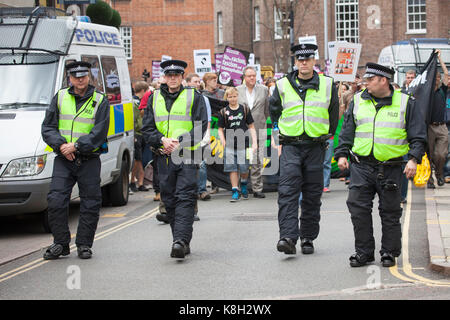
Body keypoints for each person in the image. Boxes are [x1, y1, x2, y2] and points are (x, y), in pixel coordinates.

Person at [335, 62, 427, 268]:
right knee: (358, 210)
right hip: (361, 166)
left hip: (391, 168)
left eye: (370, 80)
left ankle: (389, 252)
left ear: (383, 80)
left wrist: (413, 159)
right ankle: (363, 252)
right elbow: (347, 130)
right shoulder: (358, 101)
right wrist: (341, 153)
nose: (365, 83)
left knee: (390, 211)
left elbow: (418, 136)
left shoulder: (406, 102)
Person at [270, 43, 339, 255]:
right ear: (295, 62)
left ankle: (308, 237)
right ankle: (288, 237)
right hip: (291, 146)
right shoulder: (282, 85)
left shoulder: (328, 84)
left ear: (314, 61)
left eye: (307, 59)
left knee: (311, 195)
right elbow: (274, 115)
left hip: (316, 147)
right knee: (288, 193)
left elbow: (333, 115)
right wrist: (277, 141)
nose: (303, 63)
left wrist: (326, 137)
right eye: (300, 59)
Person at [41, 61, 110, 260]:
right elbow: (48, 127)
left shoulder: (100, 100)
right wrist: (62, 145)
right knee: (56, 200)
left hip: (88, 159)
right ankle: (60, 244)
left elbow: (100, 132)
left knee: (90, 202)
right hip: (64, 158)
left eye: (83, 76)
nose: (80, 79)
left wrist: (77, 146)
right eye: (76, 76)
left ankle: (84, 244)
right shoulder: (60, 97)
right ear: (69, 78)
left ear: (89, 77)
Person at [142, 59, 208, 259]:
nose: (172, 79)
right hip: (164, 156)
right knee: (169, 199)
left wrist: (179, 142)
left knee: (185, 197)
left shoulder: (193, 96)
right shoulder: (154, 98)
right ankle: (180, 239)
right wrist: (162, 141)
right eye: (169, 76)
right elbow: (147, 128)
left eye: (176, 75)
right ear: (164, 77)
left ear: (181, 77)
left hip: (187, 153)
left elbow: (201, 125)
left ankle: (180, 241)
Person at [218, 87, 257, 202]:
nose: (233, 99)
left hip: (243, 144)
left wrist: (254, 142)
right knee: (232, 168)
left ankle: (243, 184)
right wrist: (223, 140)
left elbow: (251, 127)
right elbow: (220, 129)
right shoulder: (223, 112)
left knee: (244, 168)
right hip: (230, 145)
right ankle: (235, 190)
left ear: (237, 96)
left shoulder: (244, 109)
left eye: (234, 96)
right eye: (230, 97)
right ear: (227, 98)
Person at [237, 66, 269, 198]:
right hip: (241, 130)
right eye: (249, 76)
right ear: (244, 77)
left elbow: (267, 110)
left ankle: (257, 188)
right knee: (242, 159)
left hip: (259, 128)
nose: (252, 78)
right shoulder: (237, 91)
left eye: (254, 75)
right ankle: (239, 187)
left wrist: (261, 121)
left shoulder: (264, 90)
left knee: (257, 159)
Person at [186, 73, 212, 201]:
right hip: (185, 135)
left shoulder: (204, 98)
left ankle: (202, 190)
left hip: (200, 134)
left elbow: (208, 118)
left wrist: (206, 134)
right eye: (195, 81)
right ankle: (191, 190)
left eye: (198, 81)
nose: (198, 83)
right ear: (188, 83)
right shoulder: (182, 98)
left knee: (201, 164)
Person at [426, 50, 448, 188]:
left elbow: (447, 74)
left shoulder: (442, 91)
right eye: (435, 78)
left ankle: (439, 174)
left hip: (442, 126)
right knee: (428, 154)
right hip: (429, 126)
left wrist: (440, 58)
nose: (438, 80)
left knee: (441, 154)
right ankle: (429, 179)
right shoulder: (426, 93)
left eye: (439, 78)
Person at [130, 81, 150, 192]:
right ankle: (133, 181)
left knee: (141, 159)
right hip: (136, 134)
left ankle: (140, 182)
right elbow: (131, 120)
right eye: (146, 91)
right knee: (137, 160)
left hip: (143, 133)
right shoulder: (133, 103)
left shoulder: (143, 102)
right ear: (142, 91)